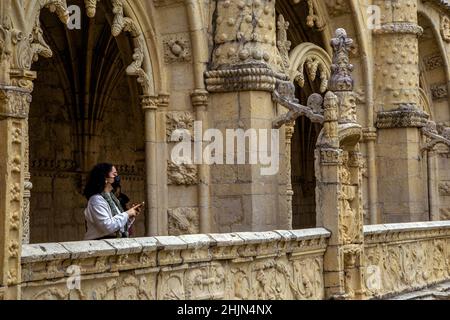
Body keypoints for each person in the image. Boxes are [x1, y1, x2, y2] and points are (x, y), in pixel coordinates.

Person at [83, 163, 143, 240]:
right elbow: (107, 227)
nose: (117, 177)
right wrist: (127, 213)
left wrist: (130, 215)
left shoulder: (113, 199)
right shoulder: (96, 200)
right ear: (105, 177)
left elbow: (119, 228)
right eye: (114, 174)